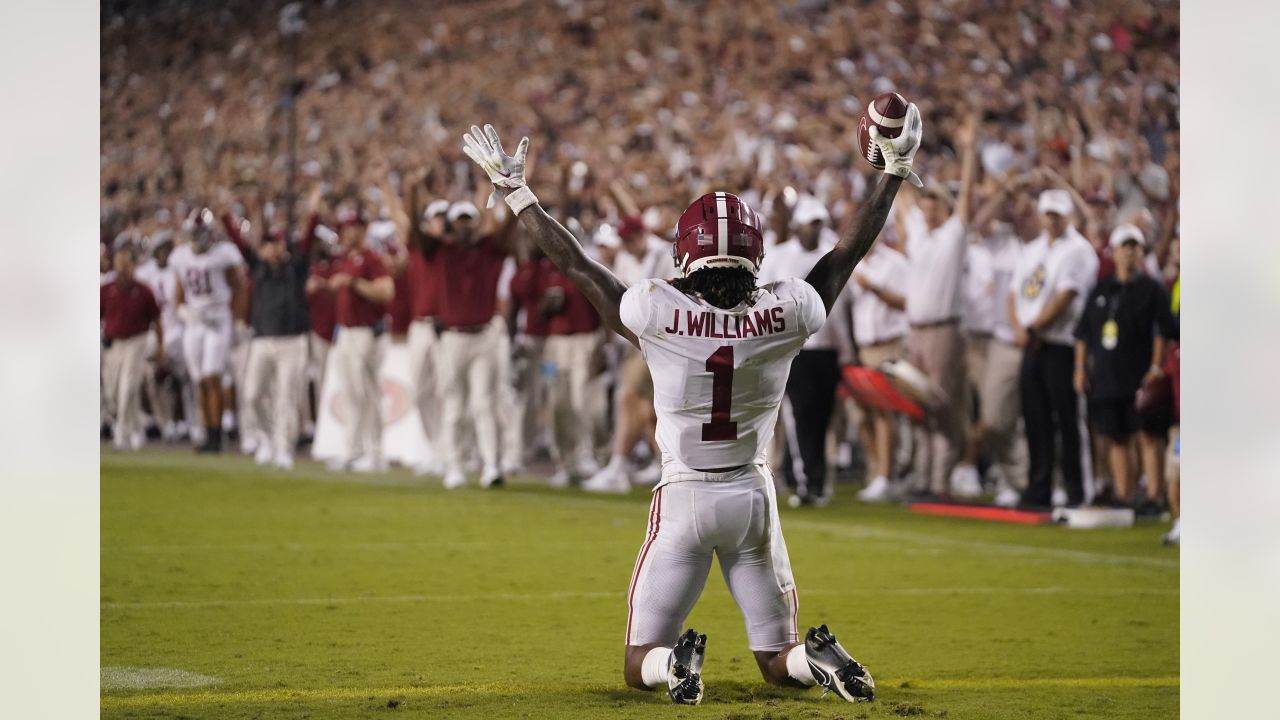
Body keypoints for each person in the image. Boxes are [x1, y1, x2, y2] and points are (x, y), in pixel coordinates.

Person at [462, 111, 920, 704]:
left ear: (685, 253)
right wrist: (895, 174)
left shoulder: (656, 312)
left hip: (685, 499)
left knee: (636, 662)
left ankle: (674, 662)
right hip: (752, 499)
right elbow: (843, 256)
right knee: (777, 661)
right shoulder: (788, 313)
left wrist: (517, 194)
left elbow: (577, 266)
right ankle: (814, 657)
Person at [1009, 189, 1099, 507]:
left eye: (1057, 214)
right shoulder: (1031, 249)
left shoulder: (1078, 250)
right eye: (1047, 213)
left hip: (1063, 344)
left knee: (1069, 419)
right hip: (1032, 344)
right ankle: (1039, 487)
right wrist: (1020, 329)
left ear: (1068, 215)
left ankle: (1078, 490)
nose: (1051, 219)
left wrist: (1033, 328)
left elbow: (1067, 297)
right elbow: (1013, 294)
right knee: (1035, 419)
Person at [1073, 224, 1173, 507]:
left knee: (1148, 435)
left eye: (1135, 247)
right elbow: (1083, 333)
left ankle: (1154, 497)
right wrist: (1080, 368)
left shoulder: (1152, 289)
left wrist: (1155, 367)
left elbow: (1162, 332)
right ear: (1114, 253)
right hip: (1107, 373)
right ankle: (1125, 495)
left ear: (1141, 252)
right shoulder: (1101, 290)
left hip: (1140, 373)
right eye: (1124, 247)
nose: (1130, 253)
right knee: (1116, 437)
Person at [759, 195, 841, 507]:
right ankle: (804, 482)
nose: (815, 230)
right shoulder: (779, 255)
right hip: (794, 348)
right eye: (811, 223)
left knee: (821, 419)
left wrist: (844, 349)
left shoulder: (829, 255)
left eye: (819, 223)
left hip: (827, 348)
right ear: (798, 226)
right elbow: (763, 299)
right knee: (798, 418)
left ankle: (817, 481)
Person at [431, 201, 513, 489]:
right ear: (452, 224)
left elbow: (509, 229)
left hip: (484, 335)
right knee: (454, 405)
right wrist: (415, 189)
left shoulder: (489, 249)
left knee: (483, 403)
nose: (465, 224)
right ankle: (453, 465)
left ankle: (491, 465)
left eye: (470, 219)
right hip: (452, 337)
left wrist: (514, 194)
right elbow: (415, 234)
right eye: (460, 220)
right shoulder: (443, 250)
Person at [223, 212, 314, 471]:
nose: (272, 248)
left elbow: (307, 242)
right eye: (268, 244)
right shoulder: (258, 268)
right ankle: (265, 437)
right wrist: (225, 216)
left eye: (276, 243)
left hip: (292, 340)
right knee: (252, 394)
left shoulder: (295, 268)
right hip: (262, 339)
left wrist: (313, 211)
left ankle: (283, 448)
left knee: (286, 397)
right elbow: (239, 243)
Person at [170, 208, 246, 453]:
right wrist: (183, 311)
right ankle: (207, 431)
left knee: (213, 376)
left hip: (217, 319)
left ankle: (218, 434)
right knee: (200, 380)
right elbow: (179, 293)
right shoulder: (181, 256)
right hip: (195, 322)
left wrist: (238, 320)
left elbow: (239, 288)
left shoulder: (223, 254)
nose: (195, 237)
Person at [326, 213, 395, 472]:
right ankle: (353, 450)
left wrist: (355, 283)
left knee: (368, 392)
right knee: (350, 393)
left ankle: (376, 453)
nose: (346, 232)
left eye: (351, 228)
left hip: (367, 333)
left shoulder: (371, 258)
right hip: (345, 332)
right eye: (344, 228)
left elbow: (386, 292)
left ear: (363, 230)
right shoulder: (345, 258)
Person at [845, 239, 910, 503]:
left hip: (889, 345)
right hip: (862, 347)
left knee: (884, 413)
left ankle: (886, 475)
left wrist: (873, 288)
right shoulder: (854, 261)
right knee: (862, 416)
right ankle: (876, 470)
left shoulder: (895, 262)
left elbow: (907, 302)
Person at [101, 244, 163, 450]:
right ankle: (137, 428)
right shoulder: (106, 290)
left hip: (136, 341)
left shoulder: (143, 291)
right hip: (114, 343)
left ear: (132, 266)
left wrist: (160, 346)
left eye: (125, 264)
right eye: (118, 264)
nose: (122, 269)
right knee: (112, 393)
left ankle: (121, 433)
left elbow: (156, 319)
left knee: (128, 387)